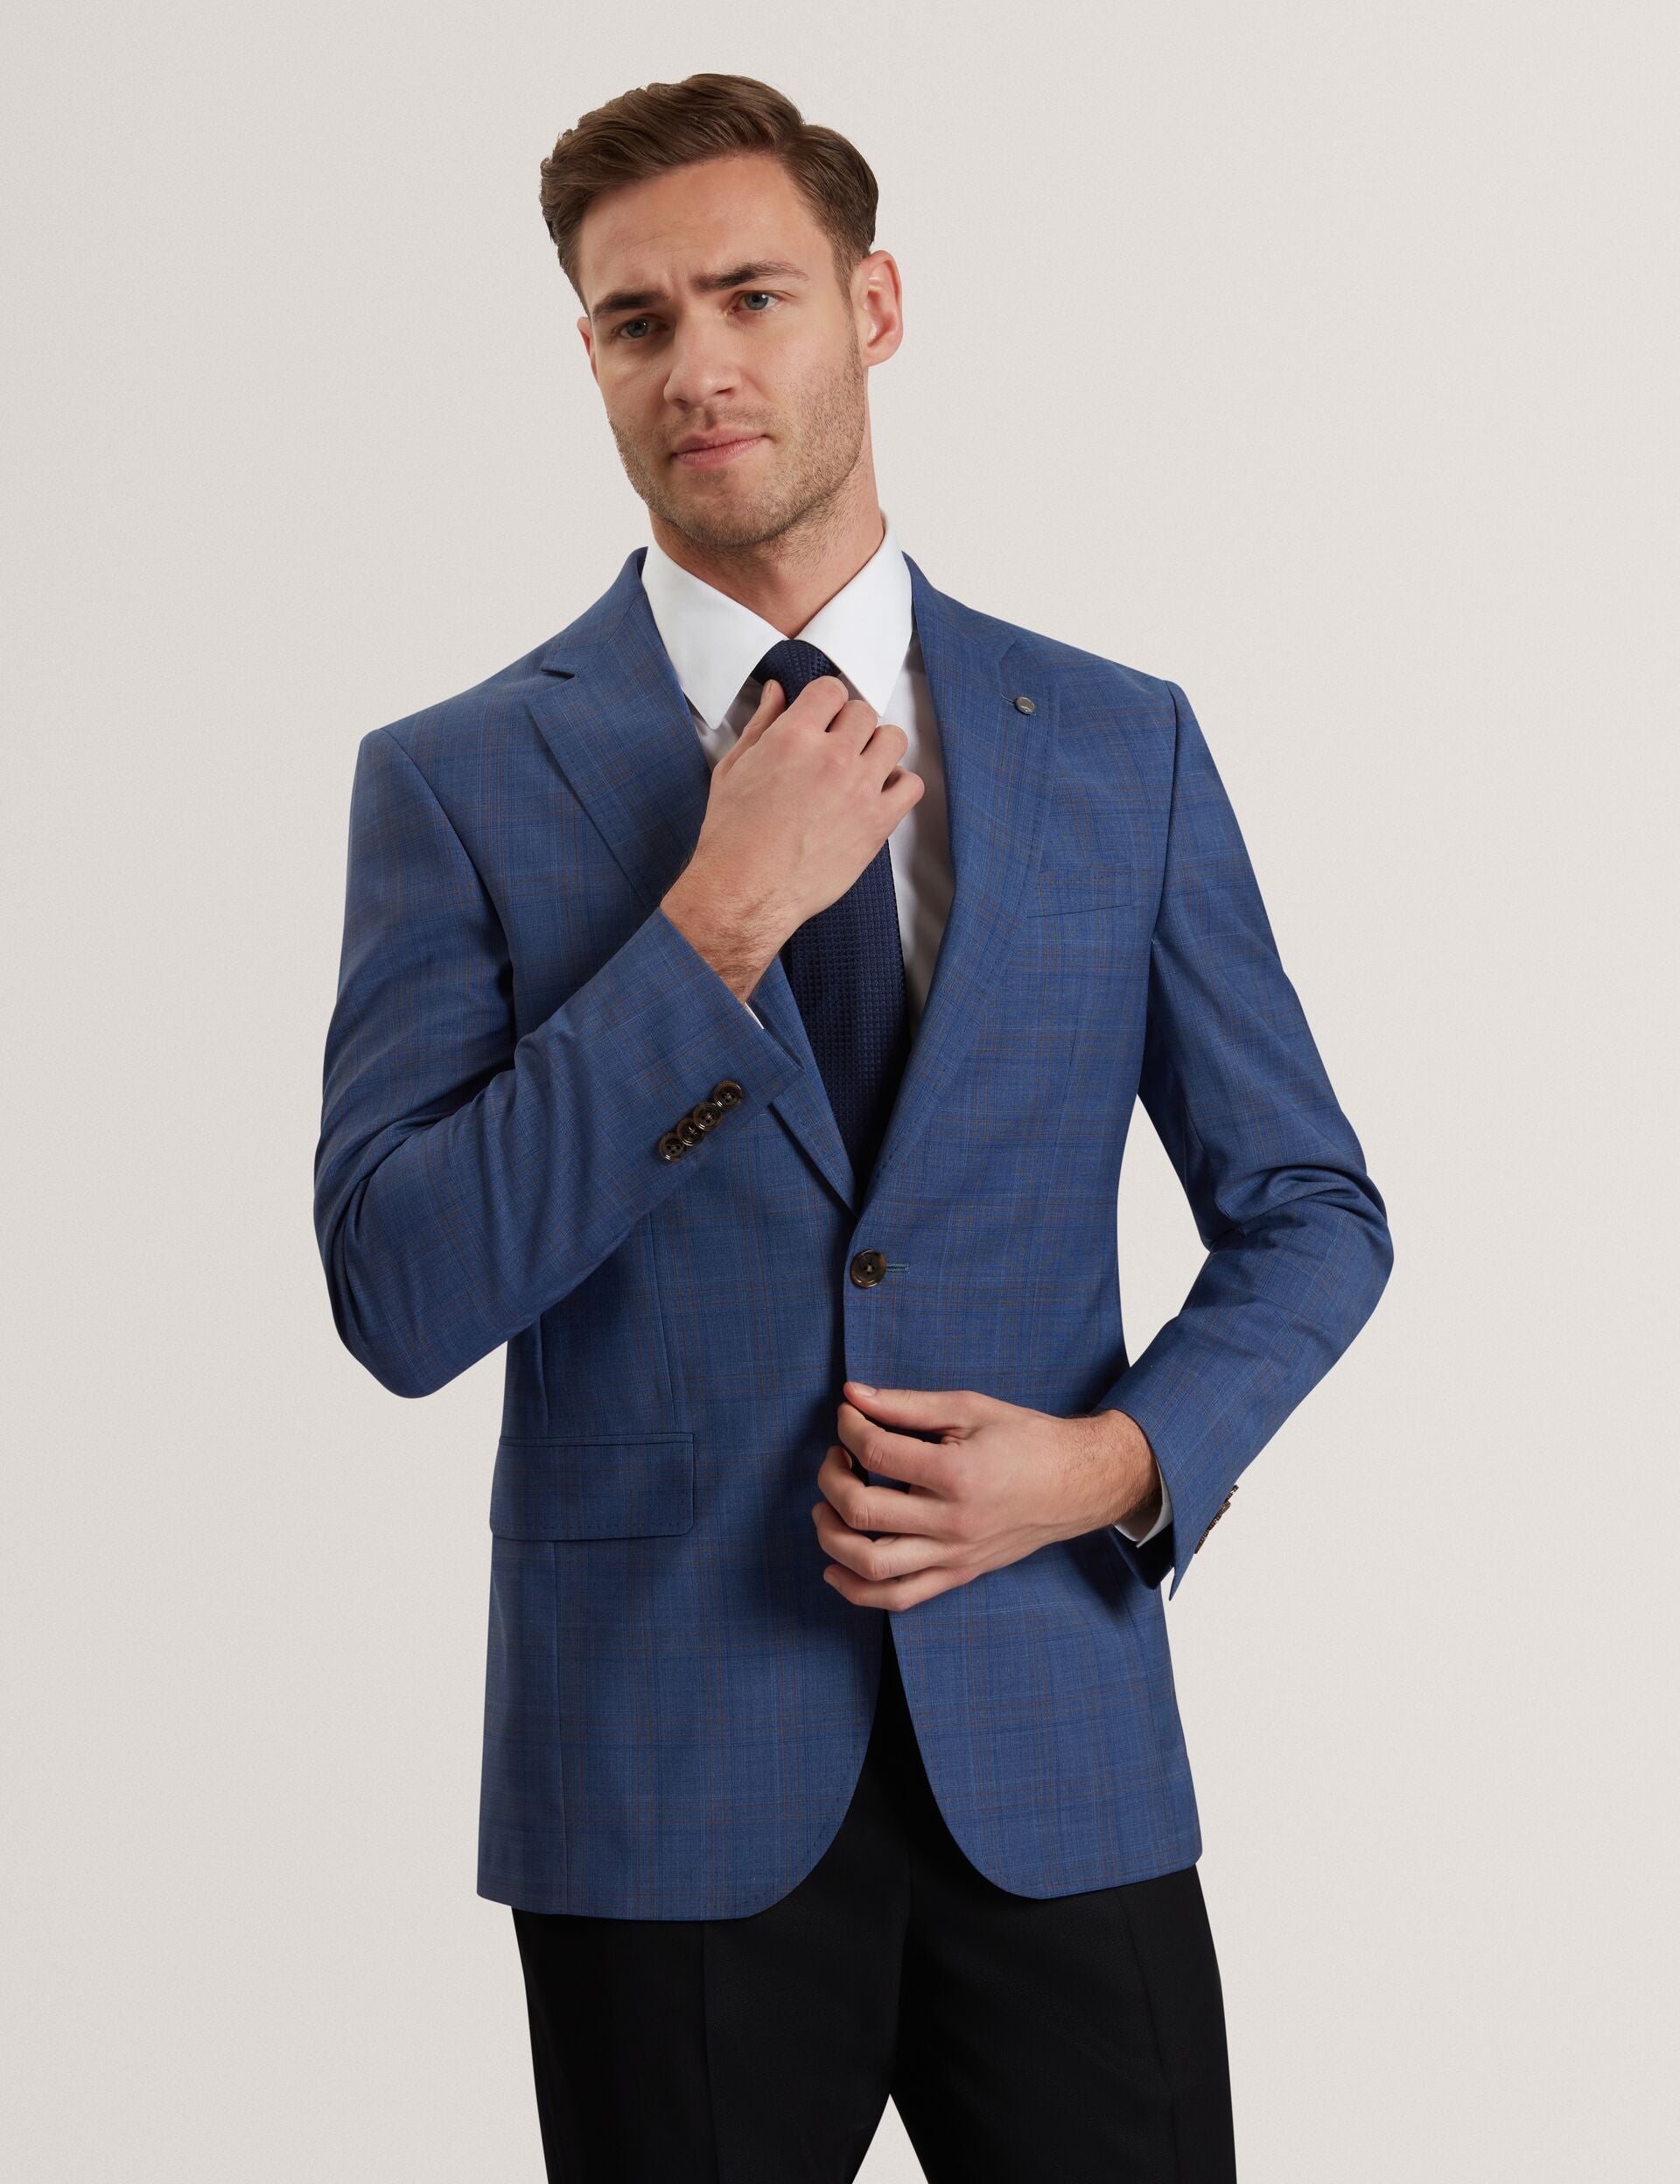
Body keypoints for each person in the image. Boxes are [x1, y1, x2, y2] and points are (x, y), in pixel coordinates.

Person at [312, 69, 1393, 2183]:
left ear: (874, 307)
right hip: (662, 1777)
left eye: (753, 296)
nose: (698, 367)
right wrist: (711, 925)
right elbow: (402, 1290)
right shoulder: (457, 781)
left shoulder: (1114, 745)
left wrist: (1116, 1464)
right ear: (590, 358)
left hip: (1058, 1749)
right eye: (637, 322)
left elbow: (1310, 1209)